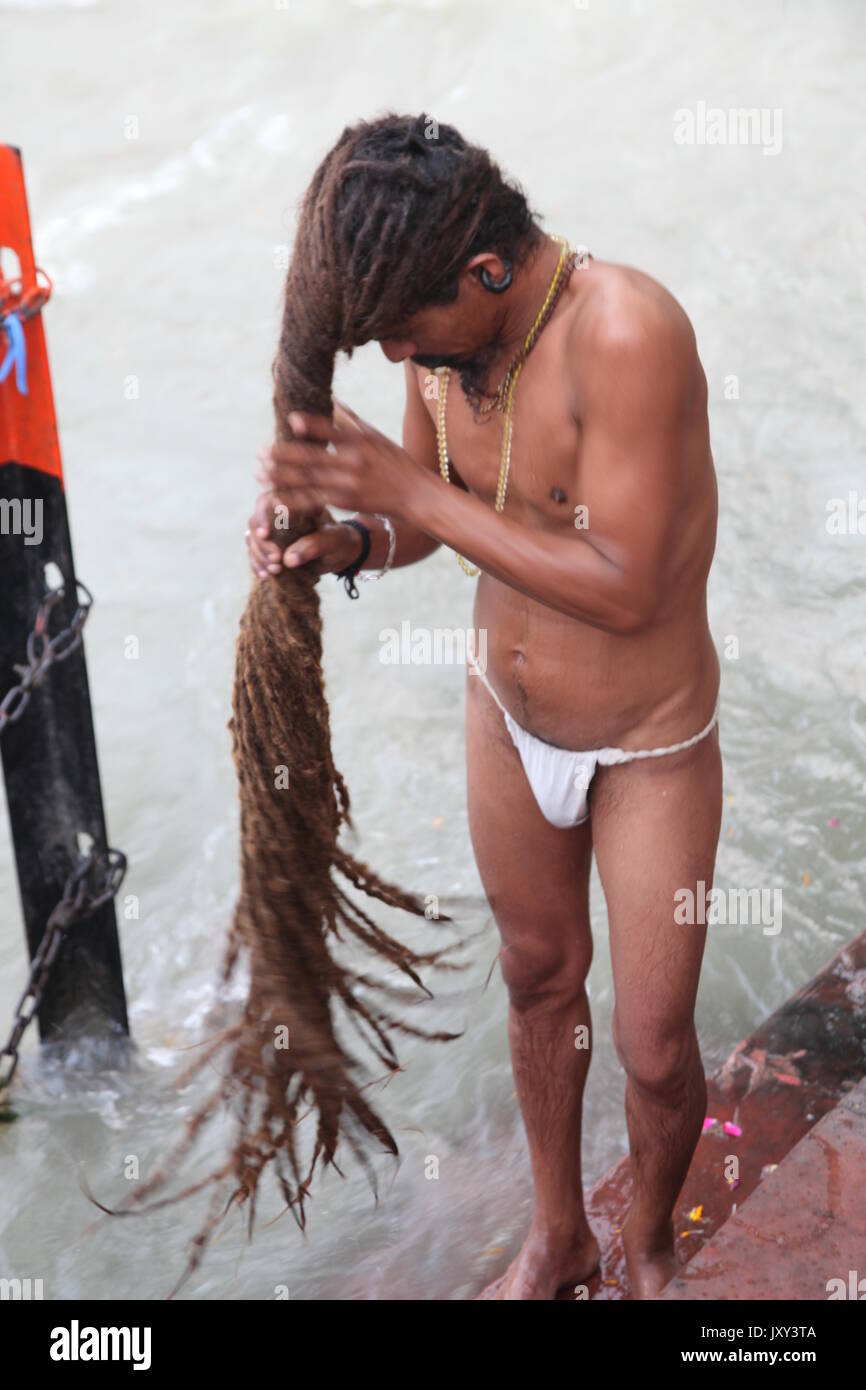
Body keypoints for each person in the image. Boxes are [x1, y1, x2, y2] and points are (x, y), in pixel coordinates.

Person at [246, 114, 722, 1300]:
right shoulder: (453, 354)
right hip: (504, 717)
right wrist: (348, 537)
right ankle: (558, 1238)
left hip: (643, 746)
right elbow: (432, 517)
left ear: (488, 270)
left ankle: (653, 1246)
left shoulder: (626, 329)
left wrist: (404, 486)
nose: (400, 358)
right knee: (534, 977)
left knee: (655, 1049)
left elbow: (630, 586)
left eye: (408, 331)